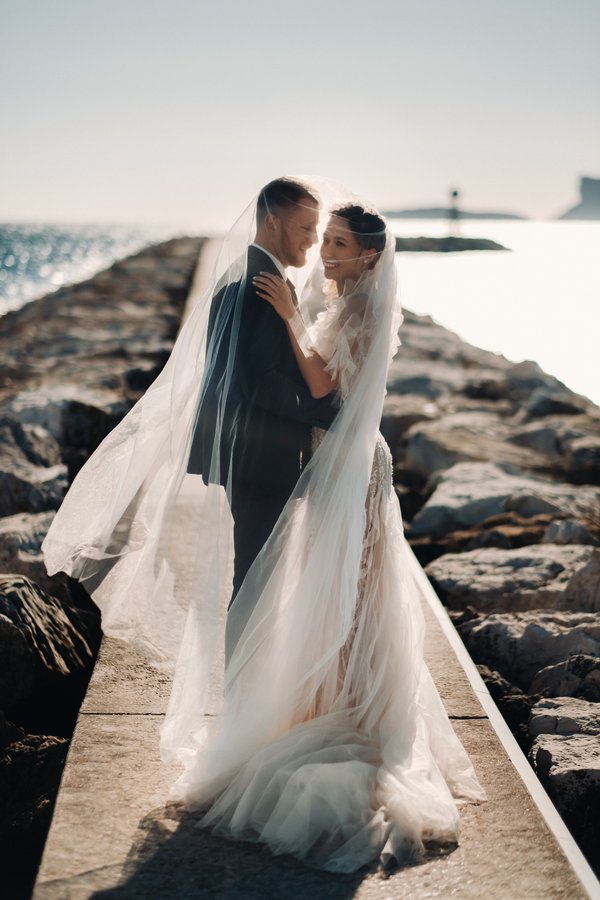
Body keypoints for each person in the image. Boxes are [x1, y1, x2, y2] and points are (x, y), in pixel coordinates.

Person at [41, 176, 485, 875]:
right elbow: (275, 387)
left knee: (345, 592)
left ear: (368, 256)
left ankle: (329, 711)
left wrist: (317, 373)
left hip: (343, 464)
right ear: (276, 221)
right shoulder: (257, 288)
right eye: (314, 234)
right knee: (284, 591)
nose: (319, 249)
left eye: (333, 241)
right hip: (290, 464)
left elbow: (321, 384)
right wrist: (324, 399)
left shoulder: (324, 300)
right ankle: (279, 710)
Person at [186, 178, 339, 606]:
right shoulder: (260, 288)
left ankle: (245, 651)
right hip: (262, 463)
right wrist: (330, 411)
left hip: (252, 458)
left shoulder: (254, 277)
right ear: (272, 222)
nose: (313, 240)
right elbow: (261, 384)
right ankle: (239, 654)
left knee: (261, 582)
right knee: (255, 585)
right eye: (305, 227)